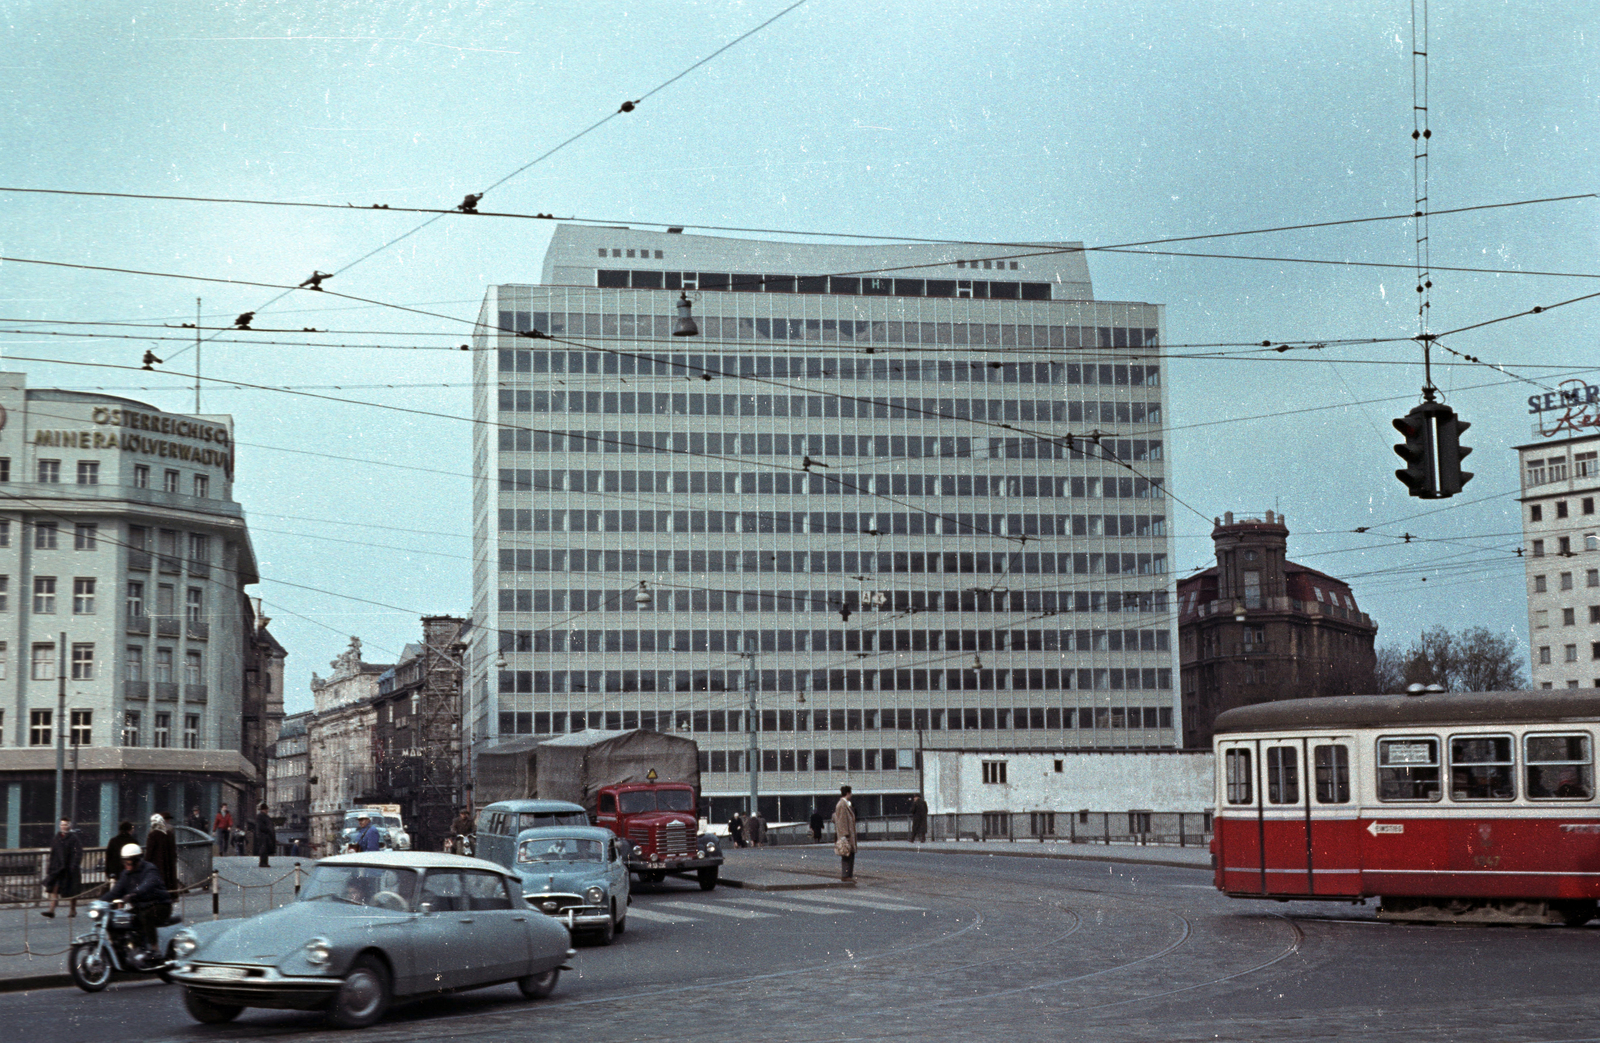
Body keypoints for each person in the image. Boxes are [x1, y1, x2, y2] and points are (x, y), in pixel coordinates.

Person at [106, 844, 171, 964]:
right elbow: (116, 891)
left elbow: (148, 884)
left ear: (137, 860)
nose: (127, 865)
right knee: (116, 918)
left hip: (160, 905)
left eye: (129, 862)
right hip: (141, 907)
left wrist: (133, 894)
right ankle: (123, 949)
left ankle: (154, 949)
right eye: (124, 862)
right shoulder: (125, 874)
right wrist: (100, 901)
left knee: (146, 916)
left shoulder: (150, 869)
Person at [41, 818, 83, 918]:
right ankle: (51, 910)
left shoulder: (74, 838)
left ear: (69, 826)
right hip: (58, 868)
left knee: (72, 890)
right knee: (54, 889)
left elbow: (78, 853)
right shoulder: (56, 838)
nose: (63, 826)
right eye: (62, 824)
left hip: (70, 868)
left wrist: (74, 865)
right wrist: (51, 867)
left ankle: (72, 910)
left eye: (65, 824)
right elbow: (53, 853)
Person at [145, 812, 179, 891]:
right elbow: (173, 848)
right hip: (168, 861)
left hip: (156, 862)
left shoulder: (152, 834)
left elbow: (149, 851)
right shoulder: (170, 832)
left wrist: (145, 863)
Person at [832, 785, 857, 881]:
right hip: (846, 835)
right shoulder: (842, 805)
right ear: (848, 793)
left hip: (848, 834)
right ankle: (846, 875)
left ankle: (848, 875)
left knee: (850, 855)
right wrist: (844, 835)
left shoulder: (845, 804)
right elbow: (842, 820)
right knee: (846, 854)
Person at [255, 803, 276, 867]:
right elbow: (261, 826)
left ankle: (265, 862)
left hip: (265, 834)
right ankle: (263, 862)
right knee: (263, 849)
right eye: (266, 809)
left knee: (265, 849)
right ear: (263, 809)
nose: (267, 811)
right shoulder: (260, 816)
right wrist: (268, 830)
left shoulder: (264, 816)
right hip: (263, 834)